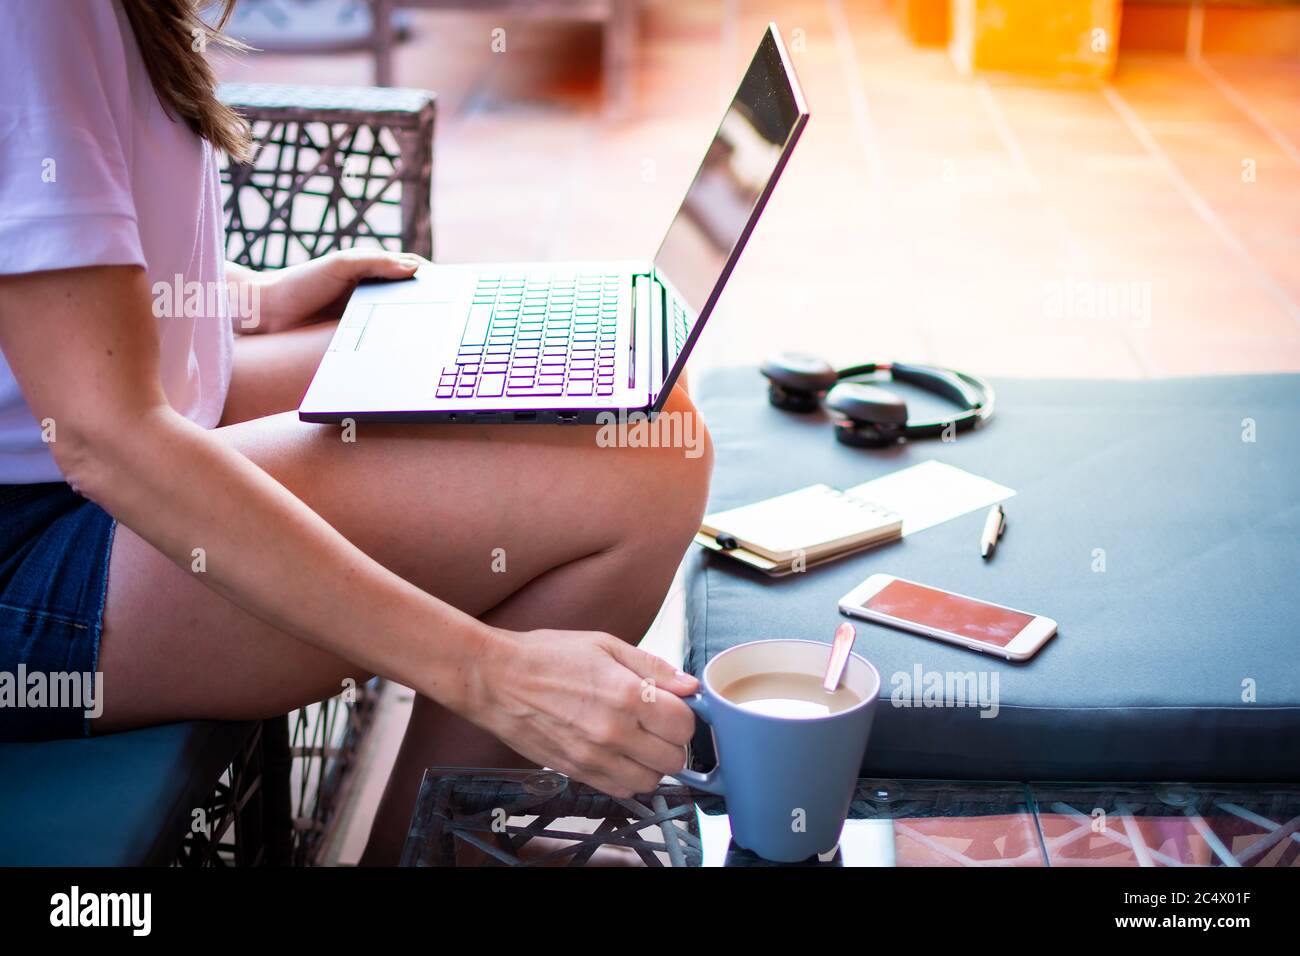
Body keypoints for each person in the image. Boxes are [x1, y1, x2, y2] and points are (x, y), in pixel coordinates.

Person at [0, 0, 711, 864]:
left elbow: (51, 274)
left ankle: (445, 841)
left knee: (626, 398)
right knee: (648, 461)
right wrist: (489, 672)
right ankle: (430, 854)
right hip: (42, 538)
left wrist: (243, 296)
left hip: (109, 431)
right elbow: (102, 438)